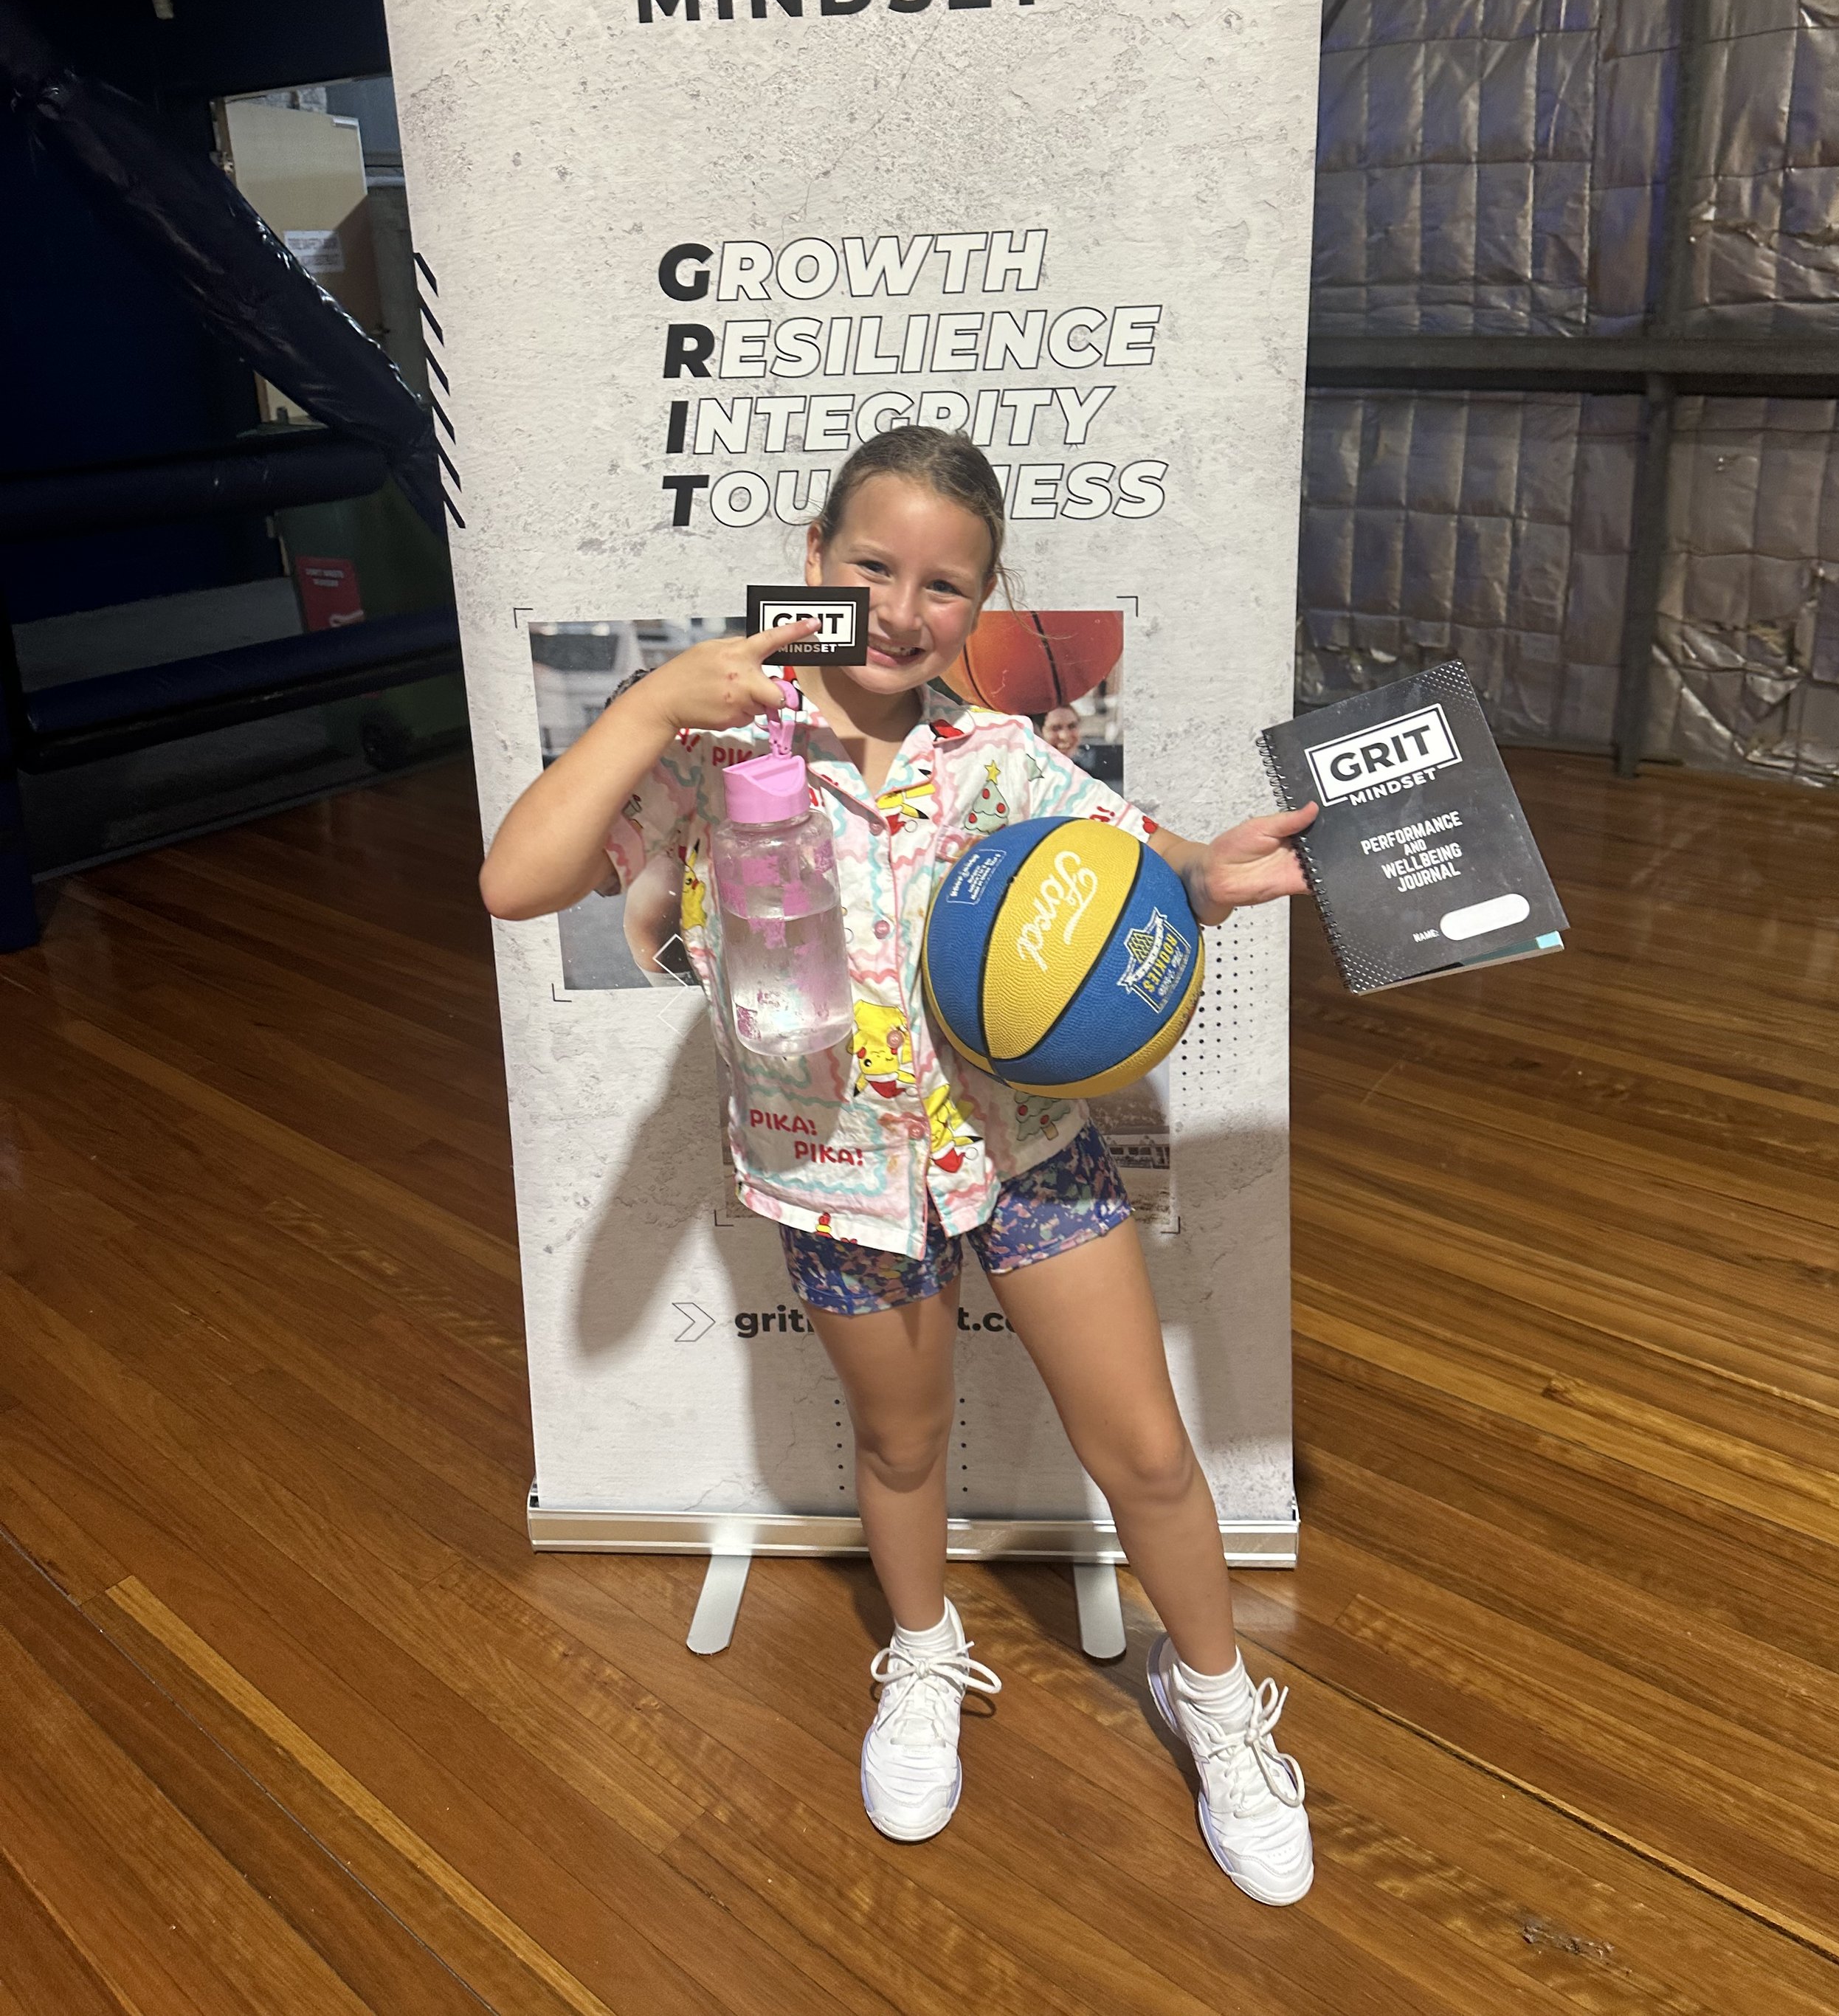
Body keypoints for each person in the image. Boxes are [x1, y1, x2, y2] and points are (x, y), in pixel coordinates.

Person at [480, 426, 1319, 1904]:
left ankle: (1212, 1696)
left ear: (978, 607)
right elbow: (515, 880)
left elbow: (1139, 860)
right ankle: (924, 1652)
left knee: (1142, 1450)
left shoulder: (996, 755)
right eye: (873, 564)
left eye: (945, 582)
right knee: (901, 1445)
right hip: (832, 1175)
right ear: (813, 559)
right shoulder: (714, 748)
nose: (901, 604)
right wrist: (656, 696)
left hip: (1027, 1156)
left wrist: (1212, 872)